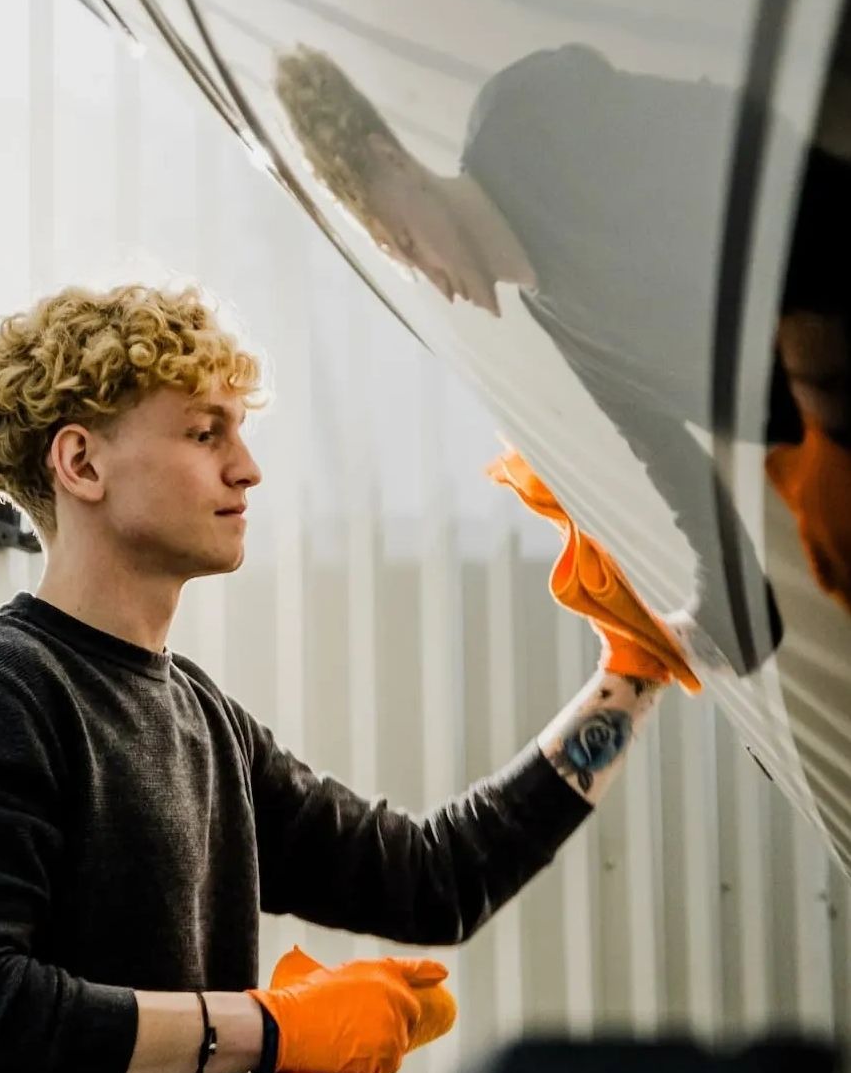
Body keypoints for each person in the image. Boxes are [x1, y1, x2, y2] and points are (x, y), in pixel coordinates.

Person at [0, 282, 680, 1073]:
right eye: (205, 432)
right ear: (81, 462)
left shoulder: (201, 718)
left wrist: (632, 670)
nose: (246, 466)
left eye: (239, 431)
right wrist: (270, 1028)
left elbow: (430, 879)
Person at [274, 44, 797, 675]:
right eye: (403, 265)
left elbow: (740, 146)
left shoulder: (526, 121)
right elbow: (667, 459)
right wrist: (706, 627)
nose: (434, 282)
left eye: (408, 242)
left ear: (394, 160)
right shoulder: (560, 321)